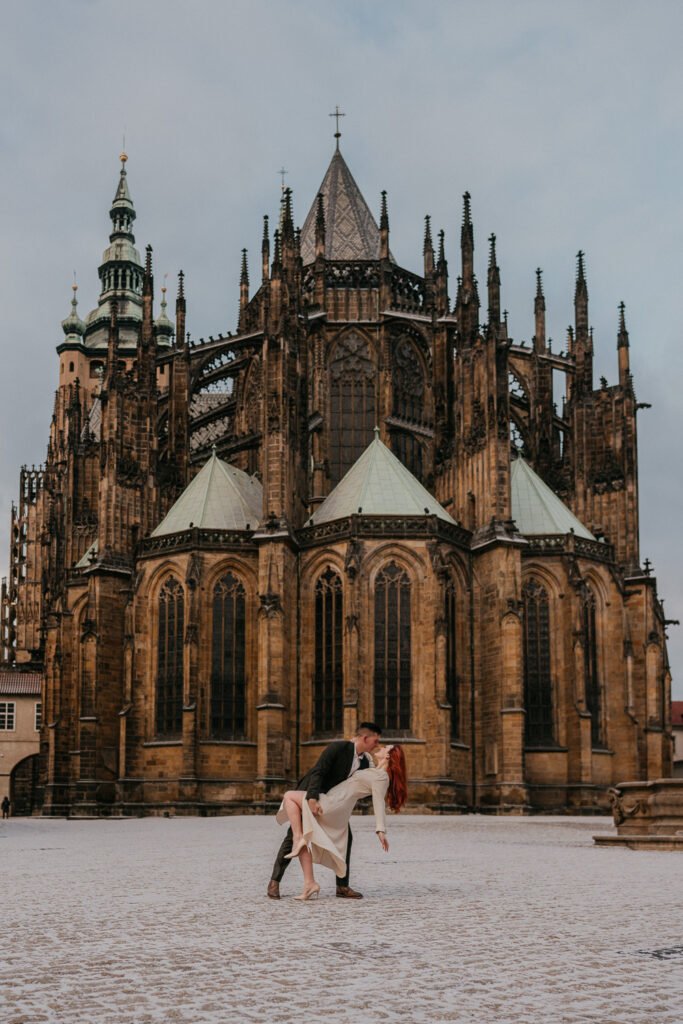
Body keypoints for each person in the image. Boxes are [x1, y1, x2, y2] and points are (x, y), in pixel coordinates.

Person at [267, 722, 382, 900]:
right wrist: (311, 798)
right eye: (376, 740)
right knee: (293, 838)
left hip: (330, 803)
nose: (377, 745)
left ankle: (342, 887)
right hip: (310, 793)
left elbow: (363, 786)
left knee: (347, 838)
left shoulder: (365, 761)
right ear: (365, 738)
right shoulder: (338, 748)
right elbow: (318, 772)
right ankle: (274, 882)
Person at [278, 743, 407, 900]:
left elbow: (378, 802)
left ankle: (297, 838)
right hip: (335, 803)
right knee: (304, 834)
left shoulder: (382, 778)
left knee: (289, 796)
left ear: (389, 755)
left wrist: (380, 830)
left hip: (334, 803)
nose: (381, 746)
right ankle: (309, 884)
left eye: (386, 747)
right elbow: (369, 766)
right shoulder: (375, 770)